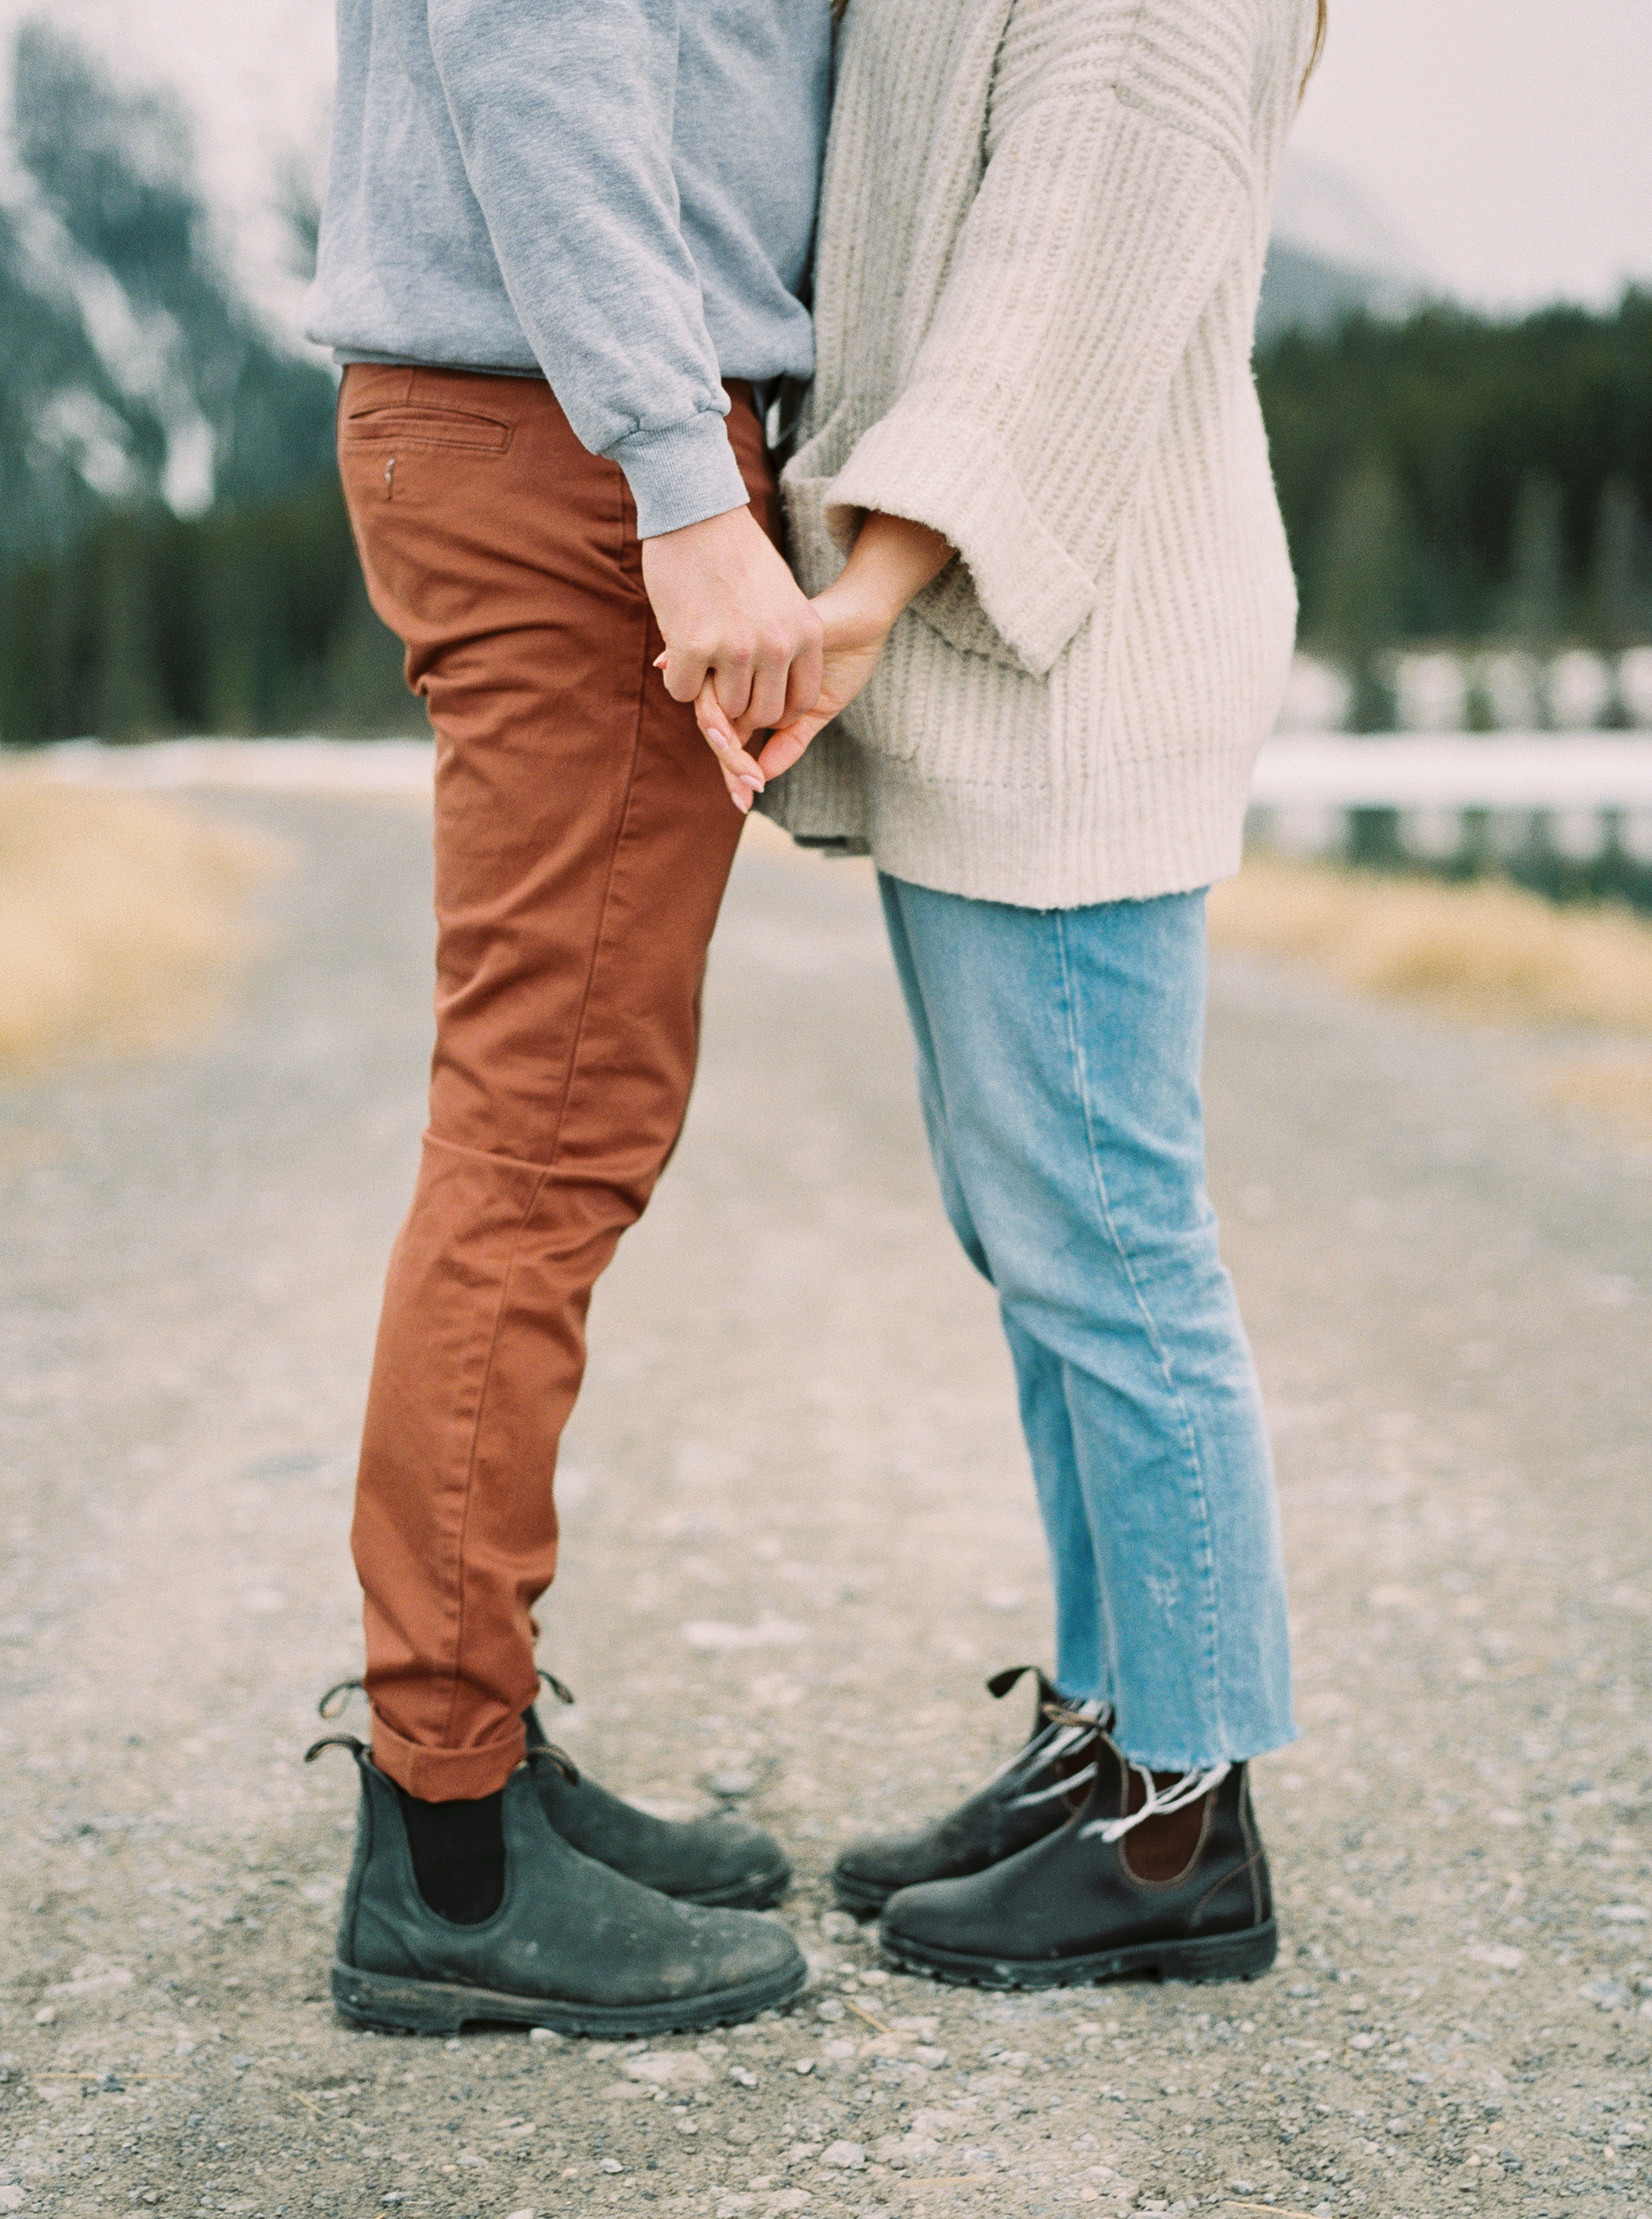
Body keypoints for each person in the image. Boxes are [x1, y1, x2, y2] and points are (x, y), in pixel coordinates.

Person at [702, 0, 1326, 1987]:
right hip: (1002, 672)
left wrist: (863, 591)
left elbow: (1059, 273)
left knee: (1110, 1238)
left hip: (1069, 666)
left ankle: (1177, 1816)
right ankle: (1105, 1718)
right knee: (1036, 1222)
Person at [297, 0, 833, 2035]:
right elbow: (537, 42)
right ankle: (444, 1846)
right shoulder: (628, 446)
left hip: (551, 417)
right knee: (538, 1138)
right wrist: (682, 477)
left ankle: (479, 1750)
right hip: (568, 436)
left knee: (555, 1125)